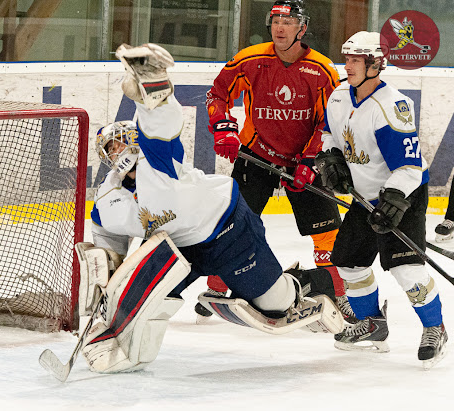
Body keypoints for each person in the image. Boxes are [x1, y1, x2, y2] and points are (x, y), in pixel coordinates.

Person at [77, 42, 342, 374]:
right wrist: (103, 296)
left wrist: (153, 87)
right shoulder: (107, 203)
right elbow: (110, 259)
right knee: (144, 302)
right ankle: (126, 352)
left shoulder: (158, 162)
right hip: (175, 251)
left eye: (123, 141)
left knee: (275, 307)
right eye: (110, 149)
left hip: (228, 232)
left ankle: (305, 283)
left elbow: (160, 125)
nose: (119, 151)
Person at [201, 0, 353, 324]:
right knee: (233, 222)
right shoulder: (251, 60)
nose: (280, 27)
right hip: (258, 154)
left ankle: (340, 295)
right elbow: (217, 94)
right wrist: (225, 131)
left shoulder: (322, 71)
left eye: (288, 21)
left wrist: (311, 161)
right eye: (275, 21)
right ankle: (217, 287)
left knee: (329, 234)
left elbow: (331, 122)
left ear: (303, 28)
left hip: (303, 162)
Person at [315, 31, 447, 368]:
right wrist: (330, 158)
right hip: (365, 197)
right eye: (347, 59)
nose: (349, 66)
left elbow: (409, 167)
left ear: (376, 63)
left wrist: (393, 201)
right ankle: (373, 326)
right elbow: (330, 133)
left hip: (404, 194)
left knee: (406, 269)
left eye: (356, 60)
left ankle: (435, 329)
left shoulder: (392, 107)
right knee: (349, 262)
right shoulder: (339, 96)